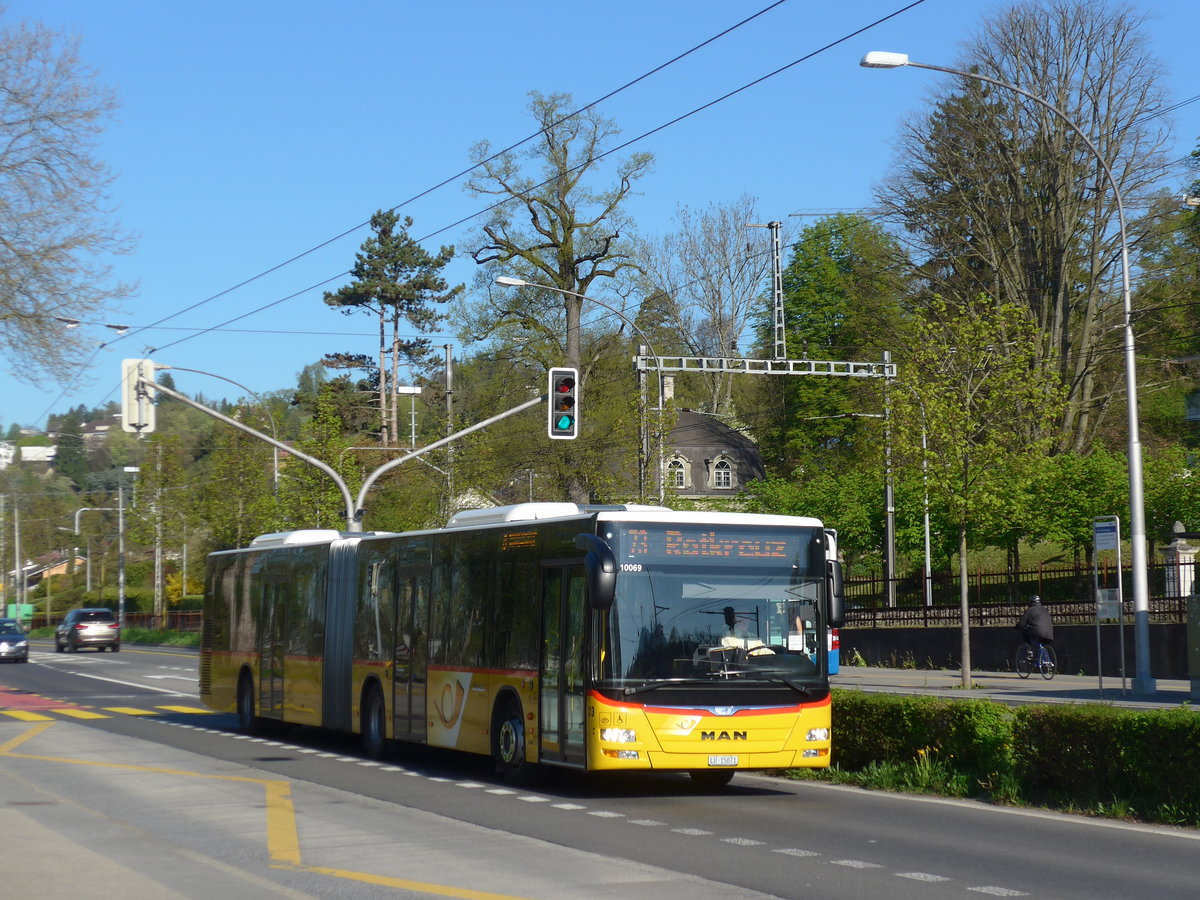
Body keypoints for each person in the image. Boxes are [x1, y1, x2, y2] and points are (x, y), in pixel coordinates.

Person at [1016, 595, 1053, 661]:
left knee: (1026, 633)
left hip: (1037, 631)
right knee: (1040, 645)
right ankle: (1046, 661)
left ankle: (1030, 652)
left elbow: (1022, 624)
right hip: (1049, 633)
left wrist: (1016, 627)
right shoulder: (1045, 610)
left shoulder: (1030, 610)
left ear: (1030, 602)